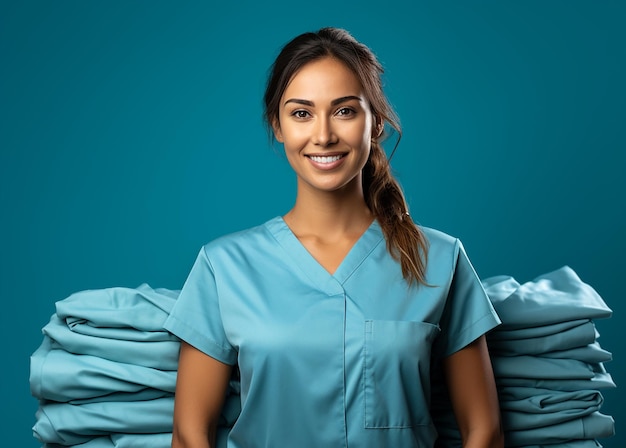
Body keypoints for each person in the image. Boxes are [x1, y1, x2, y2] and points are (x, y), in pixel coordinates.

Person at [164, 27, 503, 448]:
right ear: (278, 126)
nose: (323, 135)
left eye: (344, 111)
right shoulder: (224, 267)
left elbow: (484, 432)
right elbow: (189, 434)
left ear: (375, 123)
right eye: (301, 113)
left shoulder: (440, 259)